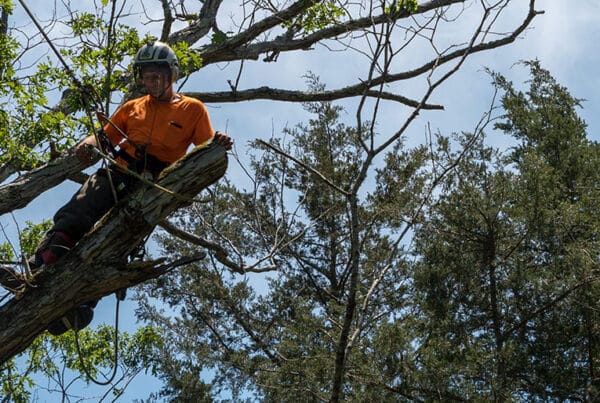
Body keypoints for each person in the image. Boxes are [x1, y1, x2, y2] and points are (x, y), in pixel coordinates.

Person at [0, 41, 233, 335]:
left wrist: (219, 144)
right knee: (77, 212)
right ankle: (39, 268)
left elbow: (204, 149)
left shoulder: (192, 110)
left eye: (158, 75)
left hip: (154, 183)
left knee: (118, 239)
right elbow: (102, 137)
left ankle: (80, 305)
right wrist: (85, 147)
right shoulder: (132, 107)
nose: (152, 81)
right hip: (119, 169)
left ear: (171, 74)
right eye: (147, 76)